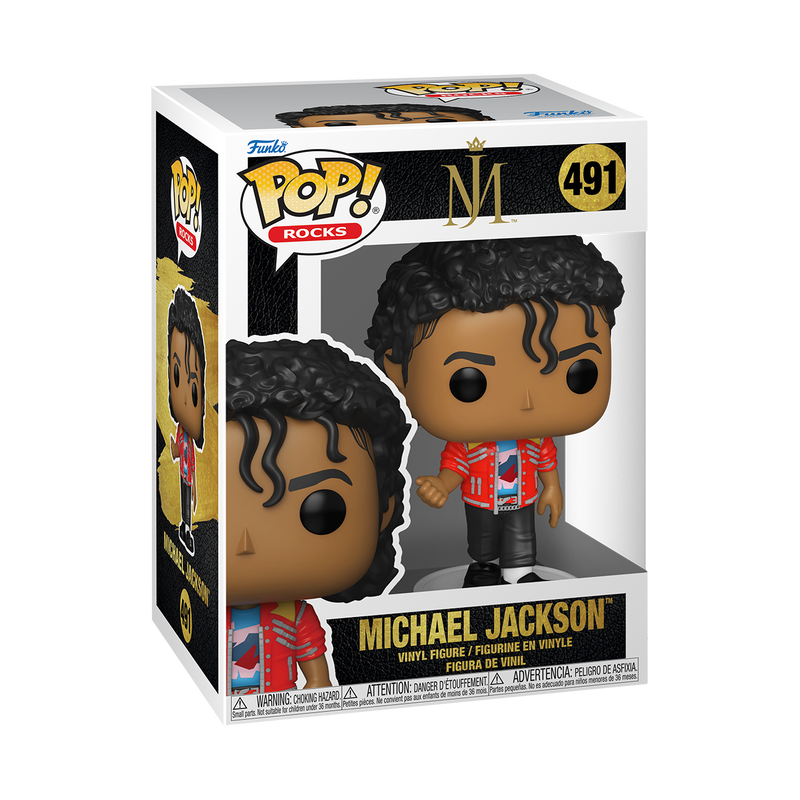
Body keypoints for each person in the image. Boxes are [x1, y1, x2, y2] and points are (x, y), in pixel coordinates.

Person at [366, 237, 624, 587]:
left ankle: (519, 571)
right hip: (480, 500)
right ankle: (484, 566)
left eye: (580, 374)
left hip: (521, 499)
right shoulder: (470, 442)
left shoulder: (535, 439)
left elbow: (546, 460)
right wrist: (443, 484)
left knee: (521, 536)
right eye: (468, 382)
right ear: (397, 373)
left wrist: (552, 488)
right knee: (482, 538)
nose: (527, 402)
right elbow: (456, 465)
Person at [225, 337, 411, 693]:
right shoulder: (208, 612)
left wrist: (319, 683)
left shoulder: (295, 615)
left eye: (321, 511)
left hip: (280, 701)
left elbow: (312, 654)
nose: (245, 544)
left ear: (383, 509)